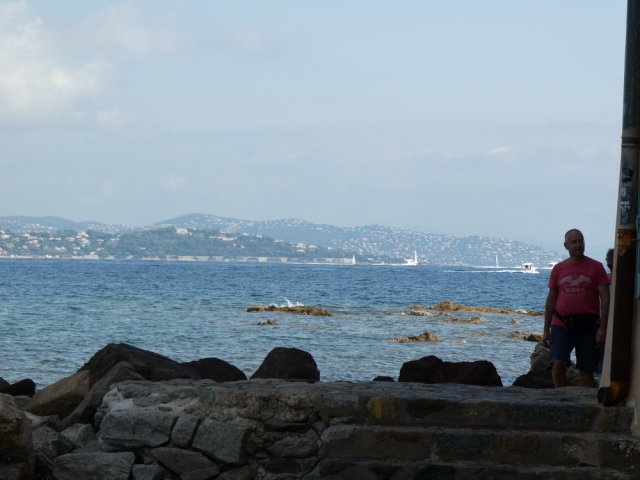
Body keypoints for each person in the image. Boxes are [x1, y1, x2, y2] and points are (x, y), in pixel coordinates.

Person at [542, 229, 610, 387]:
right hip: (561, 323)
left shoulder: (596, 267)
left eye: (581, 241)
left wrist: (603, 327)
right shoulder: (558, 269)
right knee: (558, 364)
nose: (578, 245)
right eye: (574, 242)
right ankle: (562, 398)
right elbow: (551, 299)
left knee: (586, 371)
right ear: (566, 246)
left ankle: (586, 401)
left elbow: (605, 298)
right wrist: (546, 329)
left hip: (589, 325)